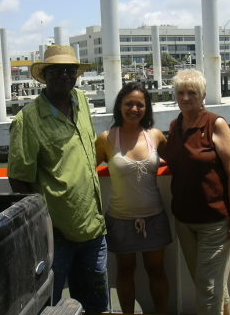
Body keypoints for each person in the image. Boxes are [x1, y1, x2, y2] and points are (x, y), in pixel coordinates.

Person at [7, 45, 108, 315]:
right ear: (45, 75)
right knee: (50, 304)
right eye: (57, 70)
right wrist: (43, 226)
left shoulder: (82, 101)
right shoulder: (27, 120)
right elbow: (18, 180)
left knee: (96, 302)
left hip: (94, 227)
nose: (64, 75)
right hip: (55, 235)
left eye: (70, 70)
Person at [164, 69, 230, 315]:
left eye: (192, 93)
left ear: (203, 96)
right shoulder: (175, 126)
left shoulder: (215, 124)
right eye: (181, 92)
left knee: (207, 289)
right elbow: (171, 158)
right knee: (208, 284)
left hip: (215, 222)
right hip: (184, 221)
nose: (186, 97)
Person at [95, 82, 171, 314]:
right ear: (120, 106)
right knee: (125, 272)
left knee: (156, 271)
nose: (134, 109)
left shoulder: (155, 136)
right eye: (129, 104)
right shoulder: (107, 139)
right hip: (120, 218)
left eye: (140, 104)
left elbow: (176, 160)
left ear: (147, 108)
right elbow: (87, 168)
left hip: (154, 217)